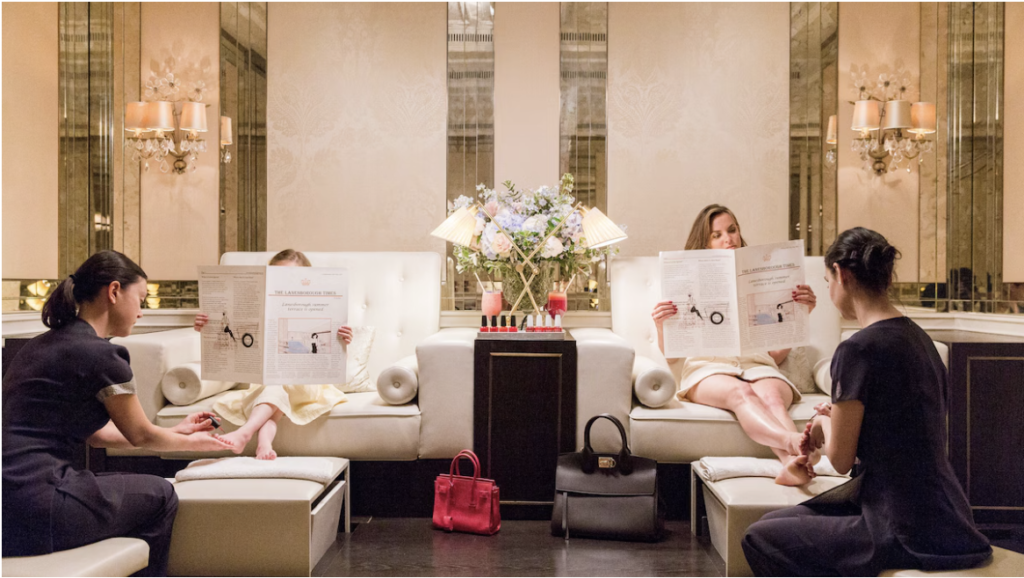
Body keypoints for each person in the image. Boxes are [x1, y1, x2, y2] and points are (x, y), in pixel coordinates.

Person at [741, 227, 992, 576]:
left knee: (759, 536)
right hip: (947, 514)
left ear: (841, 275)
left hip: (901, 524)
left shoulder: (856, 349)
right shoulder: (919, 339)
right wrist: (835, 418)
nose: (830, 291)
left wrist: (823, 423)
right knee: (778, 521)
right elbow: (899, 421)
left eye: (828, 281)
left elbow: (840, 461)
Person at [2, 251, 233, 576]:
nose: (141, 312)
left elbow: (98, 436)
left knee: (132, 486)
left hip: (9, 506)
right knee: (161, 494)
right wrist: (202, 445)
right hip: (41, 505)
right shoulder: (102, 355)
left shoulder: (41, 345)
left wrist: (179, 431)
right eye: (140, 299)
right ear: (114, 292)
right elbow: (141, 436)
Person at [651, 204, 818, 485]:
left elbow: (776, 356)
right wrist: (660, 324)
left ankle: (793, 465)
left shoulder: (759, 278)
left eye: (732, 230)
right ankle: (791, 443)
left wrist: (799, 315)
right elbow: (671, 357)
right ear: (704, 243)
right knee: (742, 394)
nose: (728, 239)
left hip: (759, 364)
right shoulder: (684, 280)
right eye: (716, 235)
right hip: (708, 369)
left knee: (774, 399)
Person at [193, 249, 354, 460]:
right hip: (270, 384)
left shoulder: (320, 308)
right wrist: (209, 327)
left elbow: (332, 361)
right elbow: (231, 343)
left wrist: (343, 341)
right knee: (274, 391)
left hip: (306, 385)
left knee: (276, 387)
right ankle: (264, 446)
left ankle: (244, 433)